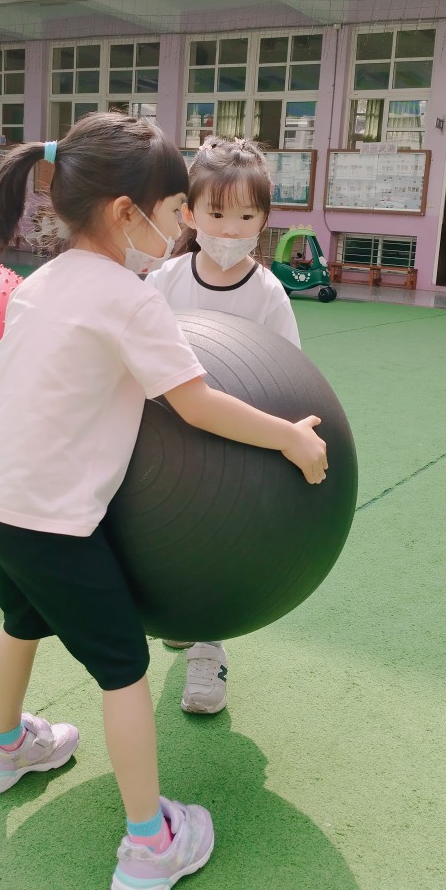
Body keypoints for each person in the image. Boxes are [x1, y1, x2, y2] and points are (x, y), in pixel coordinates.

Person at [0, 113, 327, 890]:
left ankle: (2, 749)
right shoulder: (132, 299)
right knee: (123, 671)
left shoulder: (42, 281)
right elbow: (197, 405)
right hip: (51, 520)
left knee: (21, 621)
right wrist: (290, 438)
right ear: (128, 212)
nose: (183, 222)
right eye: (174, 207)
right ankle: (151, 845)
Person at [144, 136, 299, 715]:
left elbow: (288, 375)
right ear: (189, 213)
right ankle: (179, 617)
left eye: (246, 217)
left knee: (216, 544)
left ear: (264, 221)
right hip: (165, 439)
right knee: (166, 534)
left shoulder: (268, 293)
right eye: (217, 214)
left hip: (235, 446)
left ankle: (208, 650)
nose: (231, 230)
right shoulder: (165, 281)